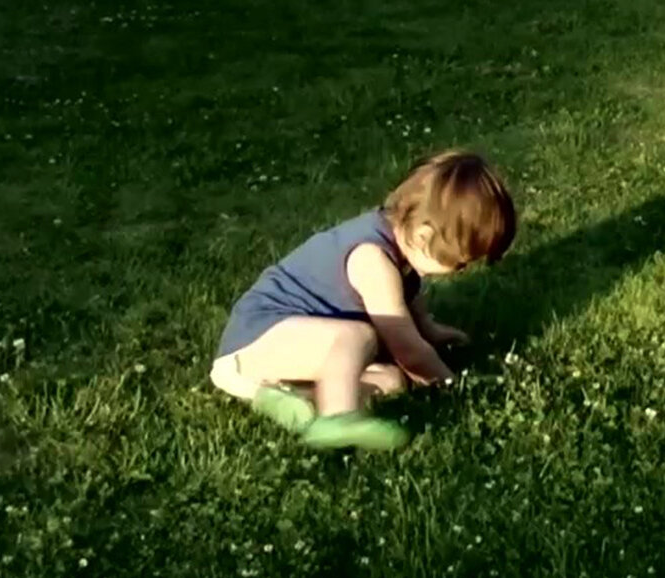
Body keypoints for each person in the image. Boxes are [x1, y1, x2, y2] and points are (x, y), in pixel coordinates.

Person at [209, 150, 516, 450]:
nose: (461, 270)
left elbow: (408, 297)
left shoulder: (401, 243)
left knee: (391, 380)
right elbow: (406, 348)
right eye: (459, 262)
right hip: (255, 342)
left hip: (294, 350)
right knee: (359, 337)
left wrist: (430, 330)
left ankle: (288, 398)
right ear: (424, 236)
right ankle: (337, 417)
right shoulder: (372, 259)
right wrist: (451, 385)